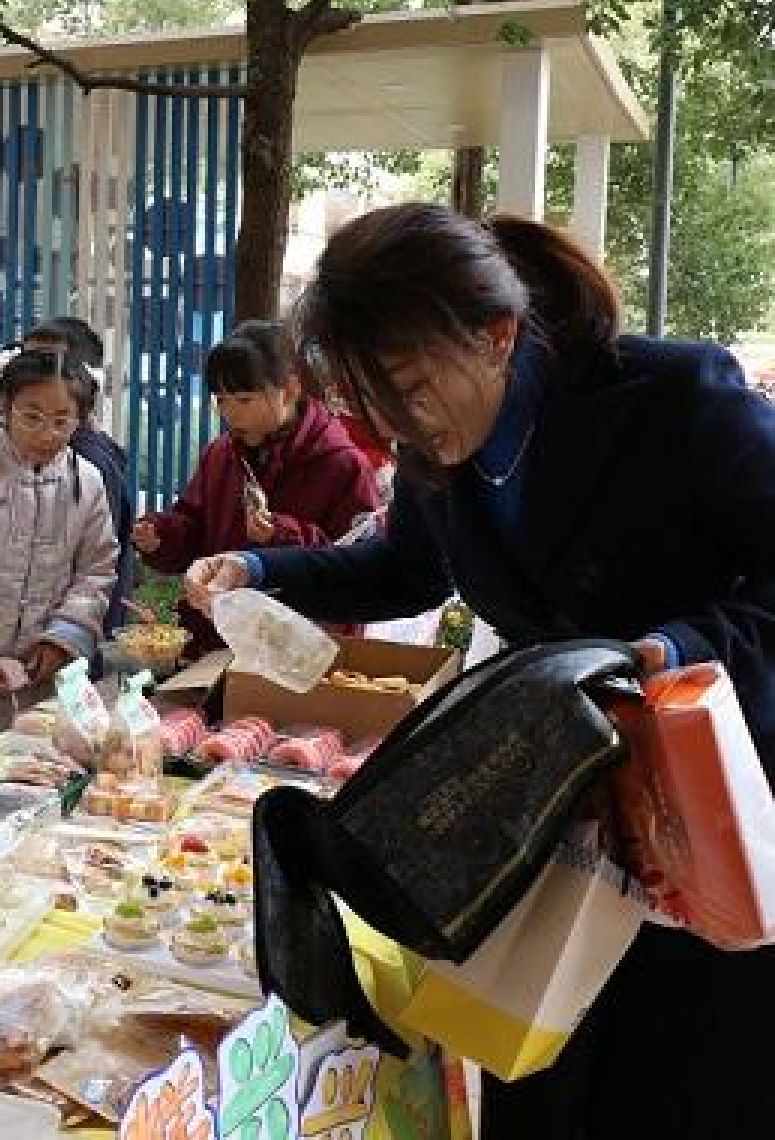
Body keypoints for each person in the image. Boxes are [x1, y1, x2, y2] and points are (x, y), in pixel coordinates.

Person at [185, 202, 775, 1138]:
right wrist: (259, 569)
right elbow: (404, 567)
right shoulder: (436, 447)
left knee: (682, 1076)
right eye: (373, 405)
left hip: (706, 812)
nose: (399, 429)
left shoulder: (673, 397)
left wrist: (674, 648)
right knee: (539, 1062)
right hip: (567, 804)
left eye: (410, 388)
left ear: (497, 333)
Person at [132, 320, 379, 656]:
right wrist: (162, 536)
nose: (230, 414)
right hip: (217, 643)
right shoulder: (220, 455)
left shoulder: (344, 465)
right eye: (221, 400)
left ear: (289, 390)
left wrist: (281, 534)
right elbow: (194, 528)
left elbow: (358, 568)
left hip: (303, 651)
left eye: (244, 399)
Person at [0, 347, 120, 746]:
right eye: (32, 417)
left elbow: (97, 570)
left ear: (81, 421)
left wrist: (60, 641)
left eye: (62, 421)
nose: (47, 434)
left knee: (38, 765)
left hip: (44, 670)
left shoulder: (87, 482)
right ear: (4, 408)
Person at [6, 317, 136, 634]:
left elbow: (96, 569)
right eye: (27, 361)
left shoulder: (89, 466)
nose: (33, 374)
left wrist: (64, 638)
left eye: (46, 363)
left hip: (72, 639)